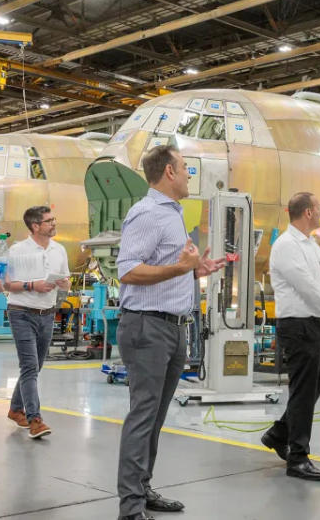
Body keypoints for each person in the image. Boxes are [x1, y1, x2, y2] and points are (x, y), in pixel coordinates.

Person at [115, 145, 226, 520]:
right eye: (185, 168)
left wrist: (196, 269)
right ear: (168, 173)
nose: (189, 175)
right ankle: (130, 506)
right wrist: (181, 269)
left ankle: (142, 487)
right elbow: (128, 270)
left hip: (173, 328)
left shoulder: (172, 215)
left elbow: (167, 266)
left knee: (156, 417)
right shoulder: (147, 213)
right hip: (147, 327)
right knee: (143, 415)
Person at [262, 192, 320, 481]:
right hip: (296, 324)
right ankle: (298, 457)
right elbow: (306, 287)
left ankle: (280, 433)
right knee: (303, 389)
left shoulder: (312, 247)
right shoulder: (286, 246)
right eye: (319, 208)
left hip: (313, 323)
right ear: (308, 213)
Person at [0, 206, 70, 438]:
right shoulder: (17, 251)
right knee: (30, 366)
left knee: (35, 367)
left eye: (53, 219)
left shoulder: (59, 250)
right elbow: (4, 285)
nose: (54, 223)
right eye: (49, 221)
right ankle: (35, 419)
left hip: (47, 314)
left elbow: (67, 280)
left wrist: (64, 285)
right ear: (35, 226)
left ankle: (15, 409)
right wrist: (33, 285)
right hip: (21, 312)